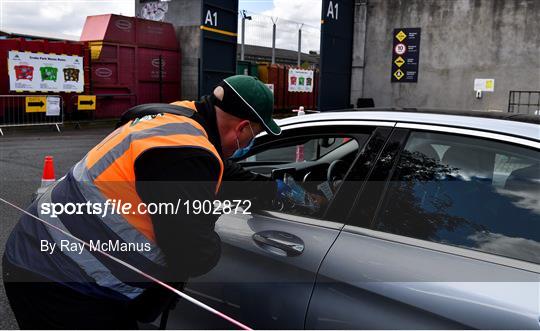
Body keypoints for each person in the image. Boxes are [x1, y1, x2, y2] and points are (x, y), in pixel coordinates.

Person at [2, 75, 282, 329]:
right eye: (253, 136)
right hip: (59, 280)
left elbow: (216, 170)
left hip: (43, 253)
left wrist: (271, 189)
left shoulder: (179, 118)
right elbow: (192, 251)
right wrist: (212, 228)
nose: (245, 145)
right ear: (243, 128)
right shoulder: (185, 153)